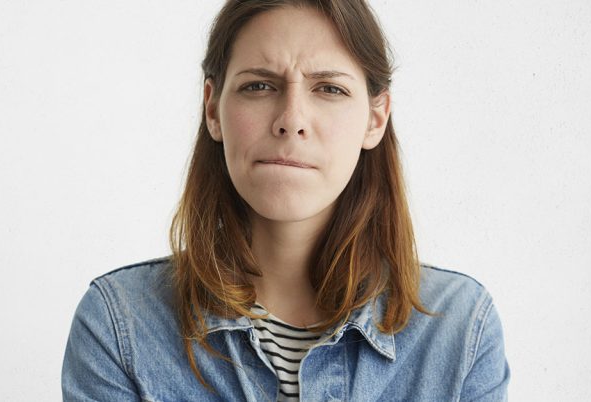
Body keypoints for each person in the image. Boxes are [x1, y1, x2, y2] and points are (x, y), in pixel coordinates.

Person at [62, 0, 510, 400]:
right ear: (212, 108)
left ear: (375, 119)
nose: (291, 120)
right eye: (259, 86)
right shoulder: (119, 325)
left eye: (329, 89)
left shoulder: (460, 329)